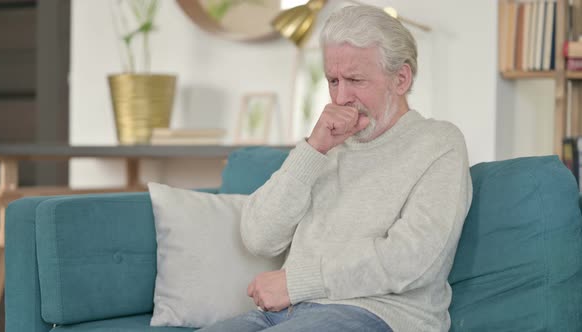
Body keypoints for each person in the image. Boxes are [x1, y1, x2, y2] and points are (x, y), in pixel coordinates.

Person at [200, 4, 472, 332]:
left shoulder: (438, 143)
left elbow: (413, 259)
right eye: (333, 80)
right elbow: (258, 237)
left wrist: (297, 283)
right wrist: (313, 150)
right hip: (284, 313)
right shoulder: (324, 146)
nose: (340, 97)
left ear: (400, 79)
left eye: (355, 80)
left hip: (377, 314)